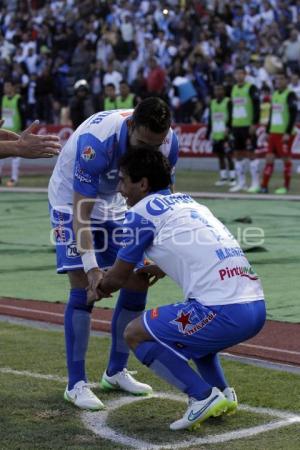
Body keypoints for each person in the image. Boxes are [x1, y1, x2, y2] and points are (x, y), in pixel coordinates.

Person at [91, 147, 266, 431]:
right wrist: (158, 266)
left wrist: (96, 287)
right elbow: (201, 246)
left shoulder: (139, 213)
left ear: (143, 183)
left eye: (123, 180)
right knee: (196, 340)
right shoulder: (191, 203)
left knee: (134, 333)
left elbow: (119, 276)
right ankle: (222, 393)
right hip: (256, 306)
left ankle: (201, 396)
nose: (120, 189)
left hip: (224, 311)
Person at [48, 97, 179, 410]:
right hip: (71, 201)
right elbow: (82, 209)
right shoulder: (96, 142)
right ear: (131, 125)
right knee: (84, 288)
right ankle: (76, 383)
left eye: (155, 145)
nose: (148, 152)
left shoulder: (167, 142)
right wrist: (93, 266)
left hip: (117, 201)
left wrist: (161, 253)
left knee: (138, 279)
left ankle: (116, 371)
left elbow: (162, 202)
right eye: (142, 144)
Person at [260, 72, 298, 194]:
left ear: (286, 81)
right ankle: (264, 186)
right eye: (277, 79)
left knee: (286, 160)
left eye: (282, 79)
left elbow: (293, 114)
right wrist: (267, 131)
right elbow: (272, 114)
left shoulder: (290, 94)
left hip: (284, 134)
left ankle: (286, 187)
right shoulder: (275, 94)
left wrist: (287, 132)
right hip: (273, 133)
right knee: (269, 158)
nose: (279, 81)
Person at [229, 67, 261, 193]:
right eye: (236, 73)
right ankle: (241, 183)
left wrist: (254, 123)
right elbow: (232, 108)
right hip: (236, 126)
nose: (238, 76)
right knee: (237, 154)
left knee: (251, 153)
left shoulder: (251, 88)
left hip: (248, 126)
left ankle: (255, 183)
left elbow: (257, 106)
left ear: (245, 75)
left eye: (241, 73)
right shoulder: (234, 88)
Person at [206, 84, 235, 186]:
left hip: (226, 134)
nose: (218, 92)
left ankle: (232, 178)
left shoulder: (228, 102)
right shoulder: (212, 103)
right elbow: (210, 119)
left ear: (223, 91)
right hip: (216, 134)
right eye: (216, 90)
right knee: (220, 156)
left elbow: (232, 116)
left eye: (220, 89)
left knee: (229, 155)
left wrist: (229, 128)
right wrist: (208, 132)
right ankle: (223, 177)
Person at [0, 80, 26, 186]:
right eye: (5, 86)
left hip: (15, 131)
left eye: (8, 86)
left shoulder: (18, 99)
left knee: (15, 156)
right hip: (4, 131)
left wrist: (23, 129)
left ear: (13, 87)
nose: (6, 88)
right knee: (0, 154)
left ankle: (13, 178)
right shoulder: (3, 98)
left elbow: (23, 115)